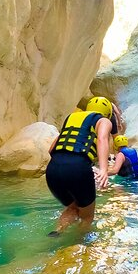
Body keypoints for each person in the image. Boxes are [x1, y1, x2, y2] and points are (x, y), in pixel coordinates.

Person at [45, 96, 113, 235]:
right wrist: (104, 169)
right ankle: (80, 246)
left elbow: (51, 149)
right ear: (108, 113)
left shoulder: (72, 118)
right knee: (87, 216)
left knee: (73, 207)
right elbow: (102, 139)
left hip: (52, 169)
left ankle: (58, 231)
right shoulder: (103, 120)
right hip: (78, 167)